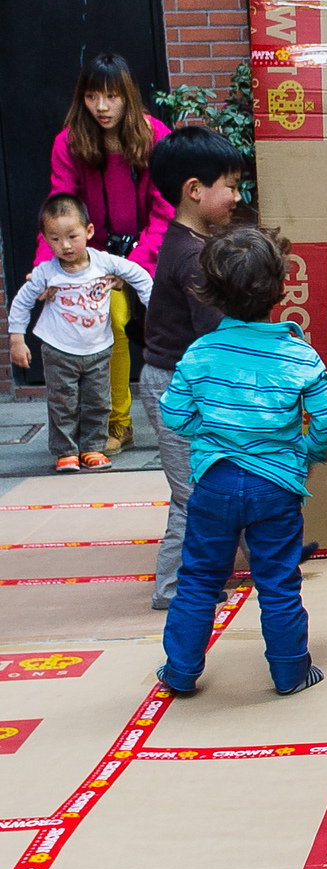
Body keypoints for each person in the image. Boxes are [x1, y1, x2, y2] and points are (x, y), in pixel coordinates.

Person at [157, 225, 327, 697]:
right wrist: (306, 452)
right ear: (280, 288)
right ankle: (290, 672)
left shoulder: (199, 353)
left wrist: (211, 436)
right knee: (278, 580)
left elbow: (173, 414)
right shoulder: (299, 353)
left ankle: (179, 671)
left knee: (197, 577)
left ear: (211, 292)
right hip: (276, 485)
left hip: (214, 481)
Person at [41, 53, 175, 455]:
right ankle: (118, 423)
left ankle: (189, 418)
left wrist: (134, 265)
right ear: (82, 98)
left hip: (151, 252)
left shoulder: (155, 136)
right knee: (111, 323)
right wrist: (46, 270)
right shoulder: (69, 142)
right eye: (93, 96)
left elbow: (165, 208)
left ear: (127, 96)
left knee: (175, 326)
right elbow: (60, 208)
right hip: (94, 257)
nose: (102, 107)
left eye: (112, 96)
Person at [137, 127, 245, 610]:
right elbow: (214, 334)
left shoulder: (189, 240)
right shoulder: (194, 256)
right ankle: (173, 589)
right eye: (232, 186)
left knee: (220, 474)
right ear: (195, 190)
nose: (238, 198)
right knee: (192, 493)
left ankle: (244, 560)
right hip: (176, 388)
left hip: (187, 381)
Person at [8, 194, 156, 471]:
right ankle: (66, 450)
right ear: (45, 238)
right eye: (54, 239)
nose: (65, 246)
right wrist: (17, 339)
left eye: (72, 237)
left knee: (98, 401)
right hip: (58, 349)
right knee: (62, 403)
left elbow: (139, 275)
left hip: (98, 349)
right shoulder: (46, 272)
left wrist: (154, 308)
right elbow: (22, 301)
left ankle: (92, 448)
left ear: (89, 232)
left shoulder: (104, 263)